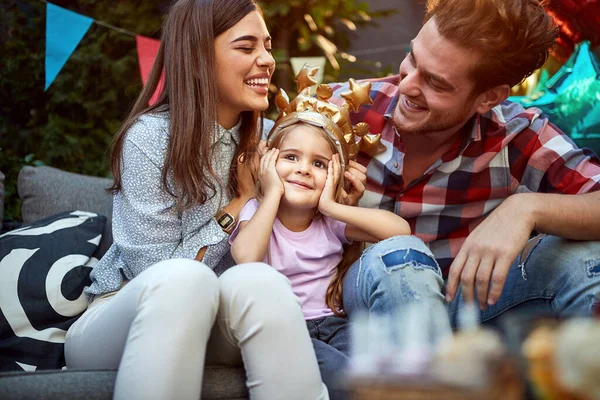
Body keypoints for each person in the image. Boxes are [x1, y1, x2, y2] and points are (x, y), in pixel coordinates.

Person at [64, 1, 329, 399]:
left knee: (262, 282)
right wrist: (240, 202)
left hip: (220, 319)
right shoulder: (150, 139)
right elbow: (152, 271)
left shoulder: (277, 142)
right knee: (186, 280)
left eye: (268, 46)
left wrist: (332, 199)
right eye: (246, 47)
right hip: (122, 315)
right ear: (199, 57)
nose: (267, 60)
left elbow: (309, 232)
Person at [326, 0, 600, 332]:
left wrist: (526, 208)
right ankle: (426, 381)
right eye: (412, 58)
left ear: (489, 98)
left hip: (464, 304)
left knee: (584, 261)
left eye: (435, 83)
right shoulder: (343, 111)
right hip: (359, 301)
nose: (407, 85)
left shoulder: (518, 135)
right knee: (400, 257)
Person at [229, 78, 411, 399]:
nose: (303, 170)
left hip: (336, 325)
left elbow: (400, 233)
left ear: (335, 175)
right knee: (344, 377)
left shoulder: (330, 222)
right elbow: (245, 257)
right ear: (270, 162)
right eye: (291, 157)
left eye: (318, 164)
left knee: (377, 369)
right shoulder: (258, 213)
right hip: (288, 331)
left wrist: (331, 206)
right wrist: (271, 194)